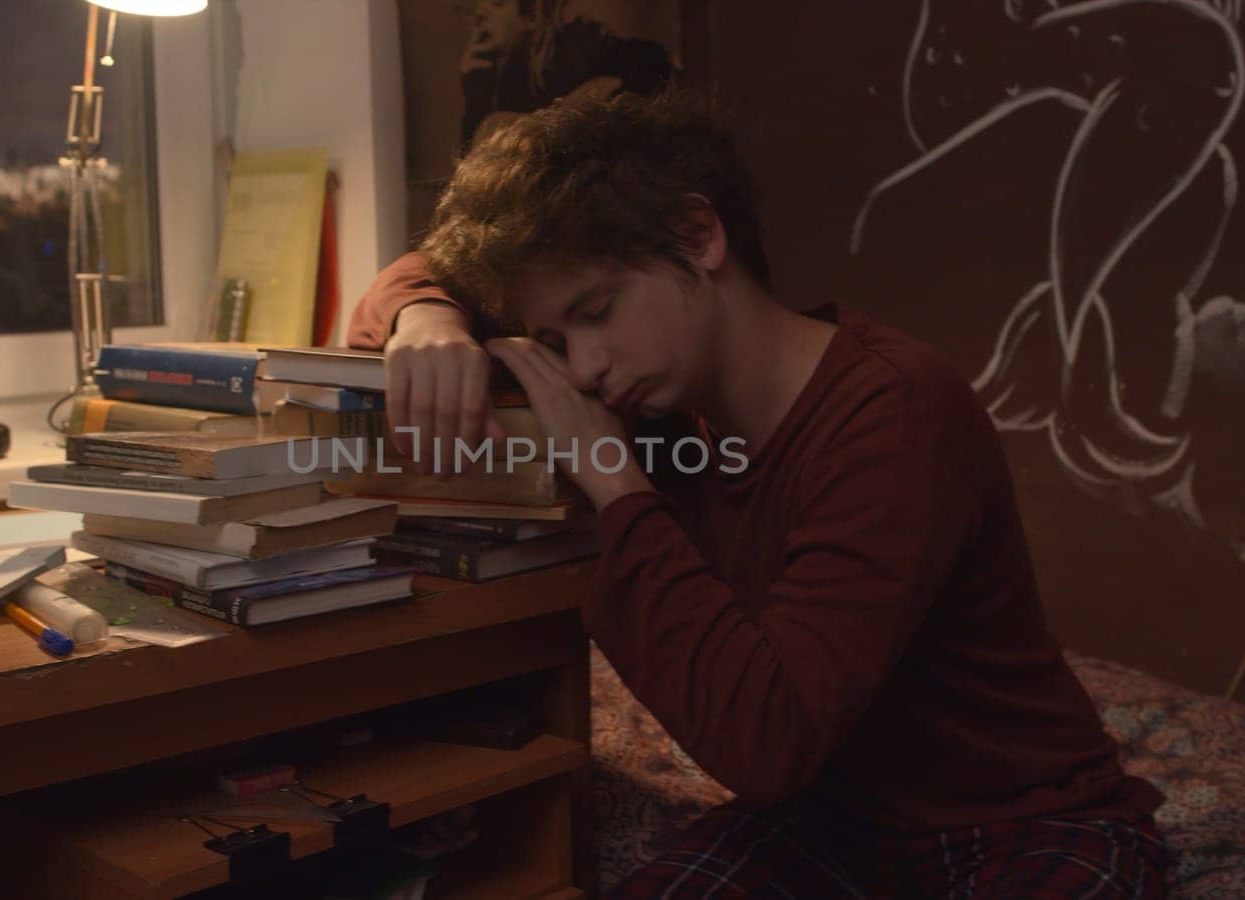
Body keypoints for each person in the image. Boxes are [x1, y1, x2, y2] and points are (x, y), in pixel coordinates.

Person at [346, 91, 1169, 897]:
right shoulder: (669, 410)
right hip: (829, 823)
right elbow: (410, 279)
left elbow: (763, 744)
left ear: (699, 235)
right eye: (558, 341)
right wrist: (427, 319)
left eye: (597, 311)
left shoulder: (896, 409)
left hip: (1016, 826)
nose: (585, 366)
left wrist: (617, 485)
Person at [457, 0, 674, 149]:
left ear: (533, 14)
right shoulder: (502, 73)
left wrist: (559, 118)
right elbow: (475, 164)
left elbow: (651, 57)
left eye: (497, 3)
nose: (481, 13)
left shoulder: (577, 44)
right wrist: (476, 87)